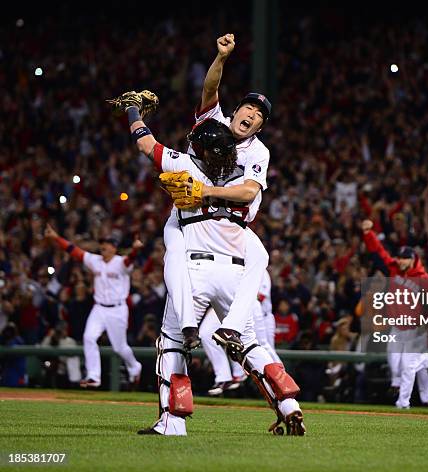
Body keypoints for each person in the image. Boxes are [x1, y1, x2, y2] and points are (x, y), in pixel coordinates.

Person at [114, 96, 304, 435]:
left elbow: (145, 142)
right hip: (235, 269)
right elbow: (248, 192)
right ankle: (288, 405)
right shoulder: (241, 181)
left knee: (172, 342)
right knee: (249, 344)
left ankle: (173, 421)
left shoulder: (185, 166)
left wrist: (132, 111)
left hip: (196, 267)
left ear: (200, 149)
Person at [44, 225, 143, 389]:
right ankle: (93, 376)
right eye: (102, 243)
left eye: (108, 243)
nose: (103, 245)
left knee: (119, 347)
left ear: (114, 248)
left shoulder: (121, 262)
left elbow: (129, 260)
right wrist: (56, 238)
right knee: (89, 338)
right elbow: (74, 251)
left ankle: (134, 366)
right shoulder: (95, 260)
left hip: (117, 309)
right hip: (99, 308)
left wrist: (135, 250)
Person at [361, 219, 428, 409]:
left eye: (405, 258)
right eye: (400, 257)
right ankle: (425, 361)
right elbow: (378, 253)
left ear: (413, 259)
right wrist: (369, 234)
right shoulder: (393, 268)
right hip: (397, 327)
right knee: (395, 365)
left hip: (415, 329)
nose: (401, 261)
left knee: (407, 366)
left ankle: (403, 402)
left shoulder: (424, 279)